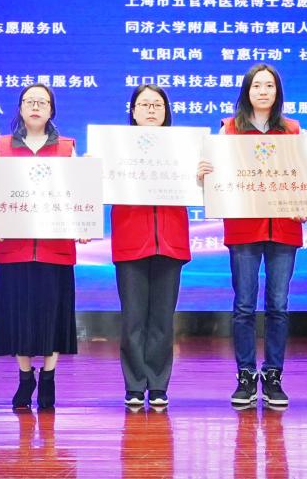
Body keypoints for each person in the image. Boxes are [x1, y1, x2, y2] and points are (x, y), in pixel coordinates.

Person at [197, 63, 303, 409]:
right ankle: (245, 375)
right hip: (243, 227)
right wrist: (204, 175)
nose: (263, 91)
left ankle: (273, 375)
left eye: (269, 85)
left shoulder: (292, 130)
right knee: (244, 304)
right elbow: (214, 179)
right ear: (246, 90)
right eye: (256, 85)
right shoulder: (228, 130)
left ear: (278, 92)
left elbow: (305, 175)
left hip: (284, 226)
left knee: (278, 305)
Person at [0, 84, 87, 410]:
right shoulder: (3, 146)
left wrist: (83, 225)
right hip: (14, 249)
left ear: (51, 110)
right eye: (29, 101)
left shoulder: (67, 148)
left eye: (42, 102)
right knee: (19, 316)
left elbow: (78, 195)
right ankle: (24, 377)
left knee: (51, 315)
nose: (35, 107)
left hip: (53, 249)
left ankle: (48, 377)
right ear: (20, 108)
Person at [111, 85, 190, 409]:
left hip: (170, 240)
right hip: (131, 239)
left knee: (161, 319)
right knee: (133, 319)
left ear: (166, 111)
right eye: (144, 104)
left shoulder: (183, 147)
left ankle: (157, 385)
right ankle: (134, 385)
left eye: (157, 105)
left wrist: (201, 173)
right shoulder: (115, 147)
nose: (151, 110)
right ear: (132, 112)